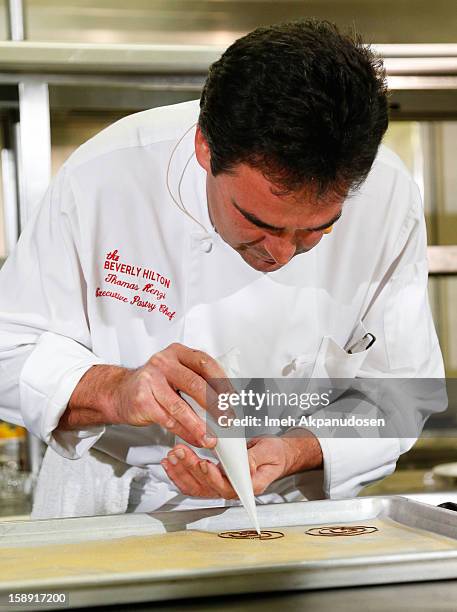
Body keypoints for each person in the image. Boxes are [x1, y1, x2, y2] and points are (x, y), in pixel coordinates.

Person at [0, 20, 444, 518]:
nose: (280, 254)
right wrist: (114, 390)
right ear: (205, 149)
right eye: (257, 222)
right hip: (109, 502)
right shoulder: (103, 177)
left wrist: (294, 451)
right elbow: (6, 351)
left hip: (292, 509)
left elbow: (404, 393)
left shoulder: (388, 196)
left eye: (318, 229)